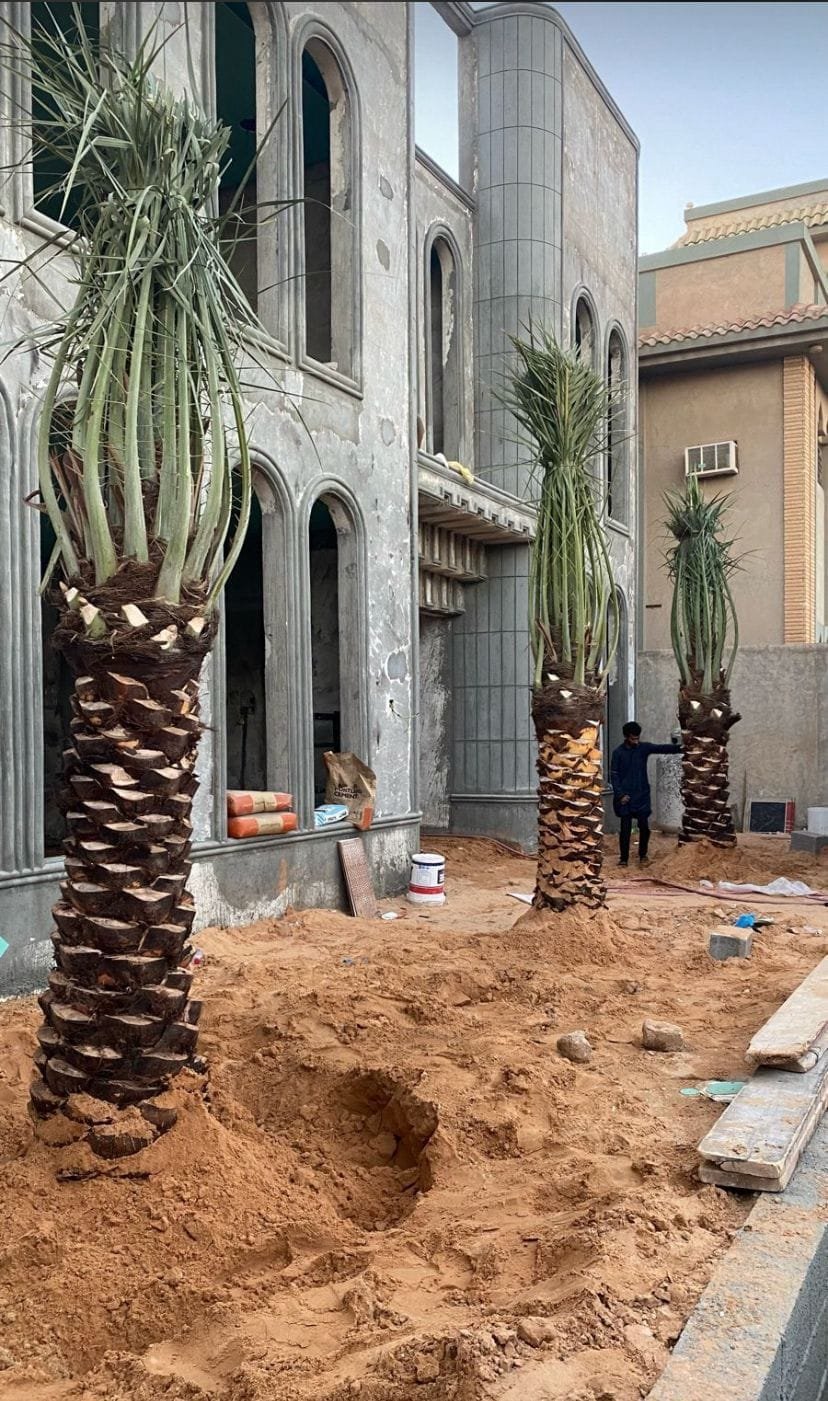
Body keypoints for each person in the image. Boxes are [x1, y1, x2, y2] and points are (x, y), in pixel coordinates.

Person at [610, 721, 682, 867]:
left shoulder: (643, 748)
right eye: (633, 739)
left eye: (637, 738)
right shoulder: (618, 753)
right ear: (626, 737)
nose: (636, 741)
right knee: (625, 830)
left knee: (644, 828)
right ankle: (623, 859)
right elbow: (614, 776)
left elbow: (661, 748)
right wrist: (620, 795)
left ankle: (643, 855)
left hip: (642, 796)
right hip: (625, 798)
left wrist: (682, 748)